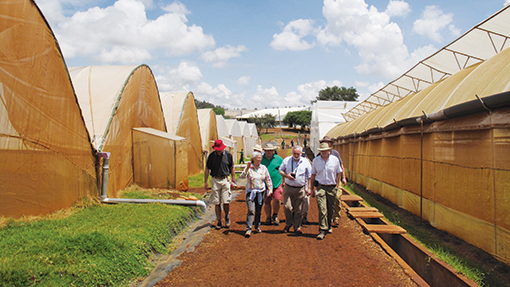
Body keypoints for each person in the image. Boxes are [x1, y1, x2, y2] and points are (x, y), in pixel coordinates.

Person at [309, 142, 343, 240]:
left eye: (325, 151)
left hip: (331, 187)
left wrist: (337, 184)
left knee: (330, 208)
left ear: (329, 151)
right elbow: (313, 176)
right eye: (322, 151)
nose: (324, 153)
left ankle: (328, 225)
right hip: (321, 187)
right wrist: (311, 189)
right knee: (322, 208)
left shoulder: (335, 160)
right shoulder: (316, 161)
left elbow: (338, 173)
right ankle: (322, 229)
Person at [279, 146, 312, 234]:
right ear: (292, 152)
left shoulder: (306, 162)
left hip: (300, 188)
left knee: (298, 209)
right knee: (287, 207)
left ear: (301, 153)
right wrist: (287, 176)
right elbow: (280, 170)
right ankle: (288, 223)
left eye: (298, 154)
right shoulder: (287, 160)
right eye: (294, 153)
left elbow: (309, 176)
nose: (296, 155)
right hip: (288, 187)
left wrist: (308, 188)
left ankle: (297, 226)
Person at [204, 139, 236, 230]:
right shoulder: (211, 156)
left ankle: (226, 216)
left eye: (220, 149)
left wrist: (233, 180)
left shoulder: (228, 155)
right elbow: (207, 169)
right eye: (217, 149)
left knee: (226, 201)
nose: (219, 151)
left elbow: (232, 167)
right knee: (217, 202)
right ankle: (218, 220)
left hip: (225, 179)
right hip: (215, 180)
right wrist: (205, 182)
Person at [240, 151, 273, 237]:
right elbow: (242, 177)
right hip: (251, 192)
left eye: (260, 158)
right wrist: (246, 168)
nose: (259, 160)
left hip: (261, 192)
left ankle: (257, 226)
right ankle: (248, 229)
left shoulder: (263, 168)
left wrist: (270, 189)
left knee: (259, 210)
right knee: (251, 210)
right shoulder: (249, 168)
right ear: (253, 159)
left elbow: (268, 179)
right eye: (257, 158)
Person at [318, 136, 347, 227]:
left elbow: (341, 166)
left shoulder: (335, 154)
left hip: (336, 180)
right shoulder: (319, 156)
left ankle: (336, 217)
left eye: (328, 142)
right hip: (324, 183)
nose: (327, 143)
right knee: (324, 202)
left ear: (331, 144)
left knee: (337, 198)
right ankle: (327, 219)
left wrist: (343, 177)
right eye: (325, 141)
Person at [261, 144, 284, 225]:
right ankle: (268, 217)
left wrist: (284, 181)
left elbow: (284, 170)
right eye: (267, 151)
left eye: (270, 150)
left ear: (273, 151)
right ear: (264, 151)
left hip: (276, 183)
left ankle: (275, 214)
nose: (269, 152)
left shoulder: (278, 159)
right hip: (265, 185)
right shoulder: (261, 159)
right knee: (266, 201)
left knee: (277, 199)